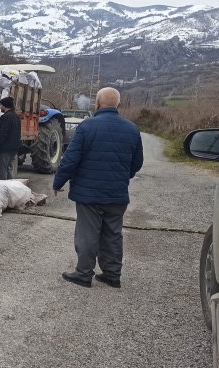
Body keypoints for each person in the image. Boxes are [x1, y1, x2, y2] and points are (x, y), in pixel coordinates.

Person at [53, 87, 143, 288]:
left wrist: (59, 182)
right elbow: (137, 163)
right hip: (117, 194)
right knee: (113, 234)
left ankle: (84, 274)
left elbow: (70, 160)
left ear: (98, 104)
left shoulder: (87, 127)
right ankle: (112, 274)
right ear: (118, 104)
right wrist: (121, 177)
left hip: (89, 195)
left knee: (88, 233)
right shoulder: (132, 129)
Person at [0, 96, 21, 180]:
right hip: (13, 148)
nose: (0, 107)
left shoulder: (6, 117)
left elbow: (3, 133)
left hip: (5, 149)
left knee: (2, 170)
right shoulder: (16, 116)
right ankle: (10, 187)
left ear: (4, 106)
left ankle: (3, 189)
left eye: (1, 105)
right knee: (7, 169)